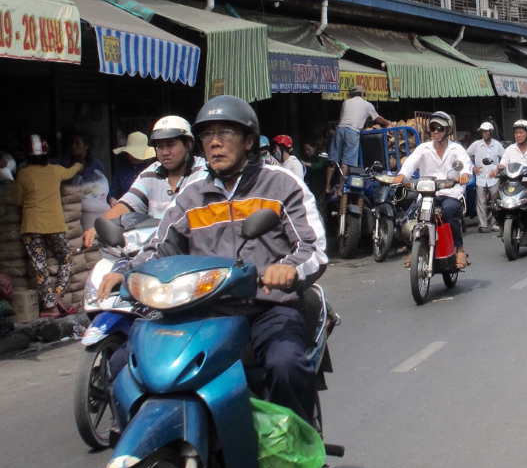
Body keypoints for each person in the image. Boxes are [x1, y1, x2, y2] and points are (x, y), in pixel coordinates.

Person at [99, 96, 327, 424]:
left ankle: (293, 449)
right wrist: (126, 271)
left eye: (226, 133)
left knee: (286, 364)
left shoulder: (281, 184)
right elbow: (160, 247)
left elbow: (313, 247)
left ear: (249, 141)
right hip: (199, 309)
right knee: (126, 363)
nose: (215, 143)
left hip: (264, 307)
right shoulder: (191, 195)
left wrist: (286, 270)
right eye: (207, 135)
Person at [83, 116, 207, 248]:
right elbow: (127, 204)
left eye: (171, 145)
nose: (164, 152)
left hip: (195, 250)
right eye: (159, 146)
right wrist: (101, 226)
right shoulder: (150, 174)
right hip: (157, 251)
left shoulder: (204, 173)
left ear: (188, 144)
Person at [13, 135, 82, 318]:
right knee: (67, 258)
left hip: (31, 226)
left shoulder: (23, 174)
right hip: (55, 225)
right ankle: (59, 293)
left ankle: (50, 306)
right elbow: (71, 172)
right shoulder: (56, 171)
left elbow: (17, 200)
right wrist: (79, 163)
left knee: (39, 266)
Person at [393, 111, 472, 268]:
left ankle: (460, 250)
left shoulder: (456, 149)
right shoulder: (423, 148)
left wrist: (464, 175)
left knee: (449, 212)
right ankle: (413, 249)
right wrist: (401, 175)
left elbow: (466, 165)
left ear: (447, 130)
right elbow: (410, 163)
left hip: (451, 193)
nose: (436, 132)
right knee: (412, 216)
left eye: (440, 128)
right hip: (427, 194)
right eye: (433, 128)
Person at [327, 86, 391, 192]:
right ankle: (340, 189)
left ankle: (327, 187)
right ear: (362, 94)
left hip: (340, 129)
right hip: (352, 131)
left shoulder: (345, 102)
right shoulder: (367, 105)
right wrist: (387, 122)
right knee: (345, 162)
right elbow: (378, 119)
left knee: (333, 160)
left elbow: (342, 118)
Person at [466, 122, 503, 233]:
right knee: (481, 202)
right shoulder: (476, 144)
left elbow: (505, 158)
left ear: (491, 132)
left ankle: (495, 224)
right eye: (482, 131)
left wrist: (497, 169)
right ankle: (483, 225)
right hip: (481, 177)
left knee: (495, 201)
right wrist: (473, 167)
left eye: (486, 131)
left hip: (494, 178)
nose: (484, 133)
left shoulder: (497, 145)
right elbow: (464, 155)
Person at [107, 132, 155, 206]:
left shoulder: (152, 169)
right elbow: (112, 193)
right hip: (124, 211)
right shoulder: (121, 170)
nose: (133, 156)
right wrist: (111, 199)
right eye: (131, 153)